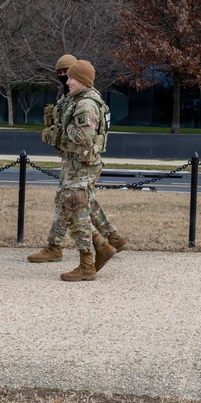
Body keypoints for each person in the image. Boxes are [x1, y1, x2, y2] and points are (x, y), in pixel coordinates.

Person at [28, 55, 127, 272]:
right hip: (75, 161)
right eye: (63, 75)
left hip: (82, 163)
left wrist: (62, 130)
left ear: (80, 78)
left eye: (69, 75)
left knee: (76, 206)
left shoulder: (85, 103)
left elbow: (84, 135)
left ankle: (94, 253)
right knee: (73, 203)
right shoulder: (74, 99)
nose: (65, 80)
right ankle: (104, 241)